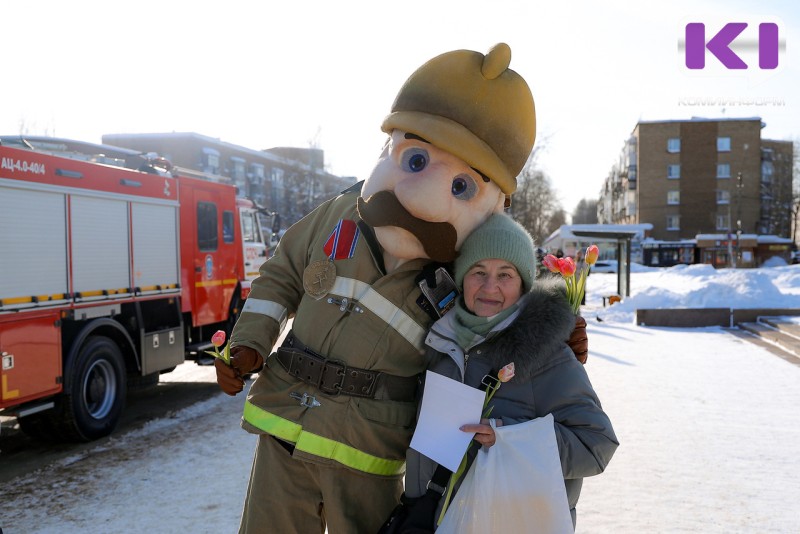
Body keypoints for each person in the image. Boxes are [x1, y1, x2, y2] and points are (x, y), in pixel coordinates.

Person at [214, 43, 586, 533]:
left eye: (462, 187)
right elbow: (281, 274)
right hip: (285, 423)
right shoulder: (338, 214)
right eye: (415, 160)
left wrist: (555, 327)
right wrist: (249, 343)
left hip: (369, 449)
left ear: (494, 203)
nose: (424, 197)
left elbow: (501, 309)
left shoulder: (466, 262)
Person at [404, 213, 618, 531]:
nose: (490, 287)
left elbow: (596, 445)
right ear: (461, 278)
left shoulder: (546, 354)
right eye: (478, 272)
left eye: (505, 274)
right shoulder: (440, 342)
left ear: (523, 284)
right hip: (432, 520)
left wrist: (509, 438)